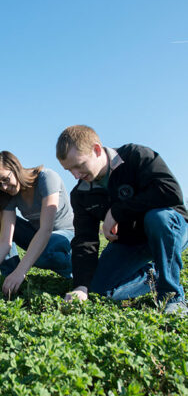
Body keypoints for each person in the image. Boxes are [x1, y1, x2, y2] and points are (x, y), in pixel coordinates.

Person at [56, 125, 188, 315]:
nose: (76, 175)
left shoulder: (136, 156)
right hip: (131, 242)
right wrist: (81, 286)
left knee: (157, 218)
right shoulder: (80, 194)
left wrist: (118, 211)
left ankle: (172, 297)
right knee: (99, 290)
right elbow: (85, 241)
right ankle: (151, 276)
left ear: (97, 149)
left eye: (79, 165)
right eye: (69, 170)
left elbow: (169, 191)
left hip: (168, 229)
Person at [0, 151, 74, 296]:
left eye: (6, 179)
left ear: (16, 168)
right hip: (39, 236)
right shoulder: (9, 194)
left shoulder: (46, 178)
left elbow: (46, 229)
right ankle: (11, 278)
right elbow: (4, 241)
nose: (4, 187)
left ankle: (76, 269)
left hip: (66, 237)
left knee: (47, 247)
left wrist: (21, 270)